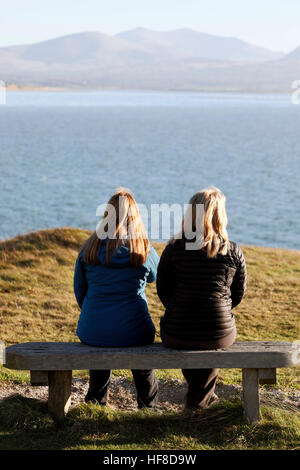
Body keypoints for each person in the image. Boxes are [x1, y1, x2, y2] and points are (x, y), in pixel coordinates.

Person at [157, 186, 247, 411]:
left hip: (177, 331)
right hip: (219, 332)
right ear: (221, 216)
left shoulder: (173, 248)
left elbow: (163, 290)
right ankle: (198, 403)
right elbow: (237, 294)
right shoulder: (233, 251)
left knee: (194, 334)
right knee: (211, 333)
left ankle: (198, 399)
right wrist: (217, 309)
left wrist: (182, 308)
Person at [74, 187, 159, 408]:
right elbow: (156, 276)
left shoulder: (89, 249)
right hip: (135, 330)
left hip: (93, 329)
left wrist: (96, 313)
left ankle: (95, 404)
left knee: (100, 350)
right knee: (143, 367)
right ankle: (147, 408)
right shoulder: (143, 249)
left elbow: (80, 292)